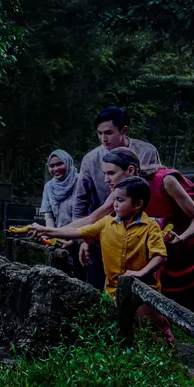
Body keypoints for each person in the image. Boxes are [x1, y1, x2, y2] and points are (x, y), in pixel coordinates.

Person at [48, 146, 194, 379]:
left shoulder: (166, 181)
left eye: (111, 173)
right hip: (169, 234)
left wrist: (182, 239)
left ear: (130, 170)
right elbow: (94, 219)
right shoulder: (121, 191)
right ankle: (160, 355)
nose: (106, 179)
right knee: (158, 293)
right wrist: (52, 232)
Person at [33, 176, 173, 343]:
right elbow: (78, 232)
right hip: (112, 293)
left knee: (154, 334)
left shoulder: (150, 226)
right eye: (114, 199)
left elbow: (160, 255)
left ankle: (169, 363)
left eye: (120, 200)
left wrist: (141, 273)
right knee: (118, 334)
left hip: (144, 293)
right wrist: (46, 230)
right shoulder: (106, 223)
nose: (115, 204)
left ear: (137, 204)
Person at [71, 107, 161, 290]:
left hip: (139, 236)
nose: (104, 139)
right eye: (99, 133)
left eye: (109, 133)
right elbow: (80, 203)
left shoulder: (146, 153)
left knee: (141, 292)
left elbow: (157, 190)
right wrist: (84, 241)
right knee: (99, 291)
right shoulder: (90, 160)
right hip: (103, 234)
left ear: (124, 130)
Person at [37, 149, 78, 228]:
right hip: (58, 235)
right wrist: (51, 235)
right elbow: (49, 216)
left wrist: (74, 238)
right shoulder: (49, 187)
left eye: (59, 164)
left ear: (68, 163)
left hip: (81, 235)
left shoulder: (81, 182)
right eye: (51, 166)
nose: (55, 169)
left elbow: (87, 215)